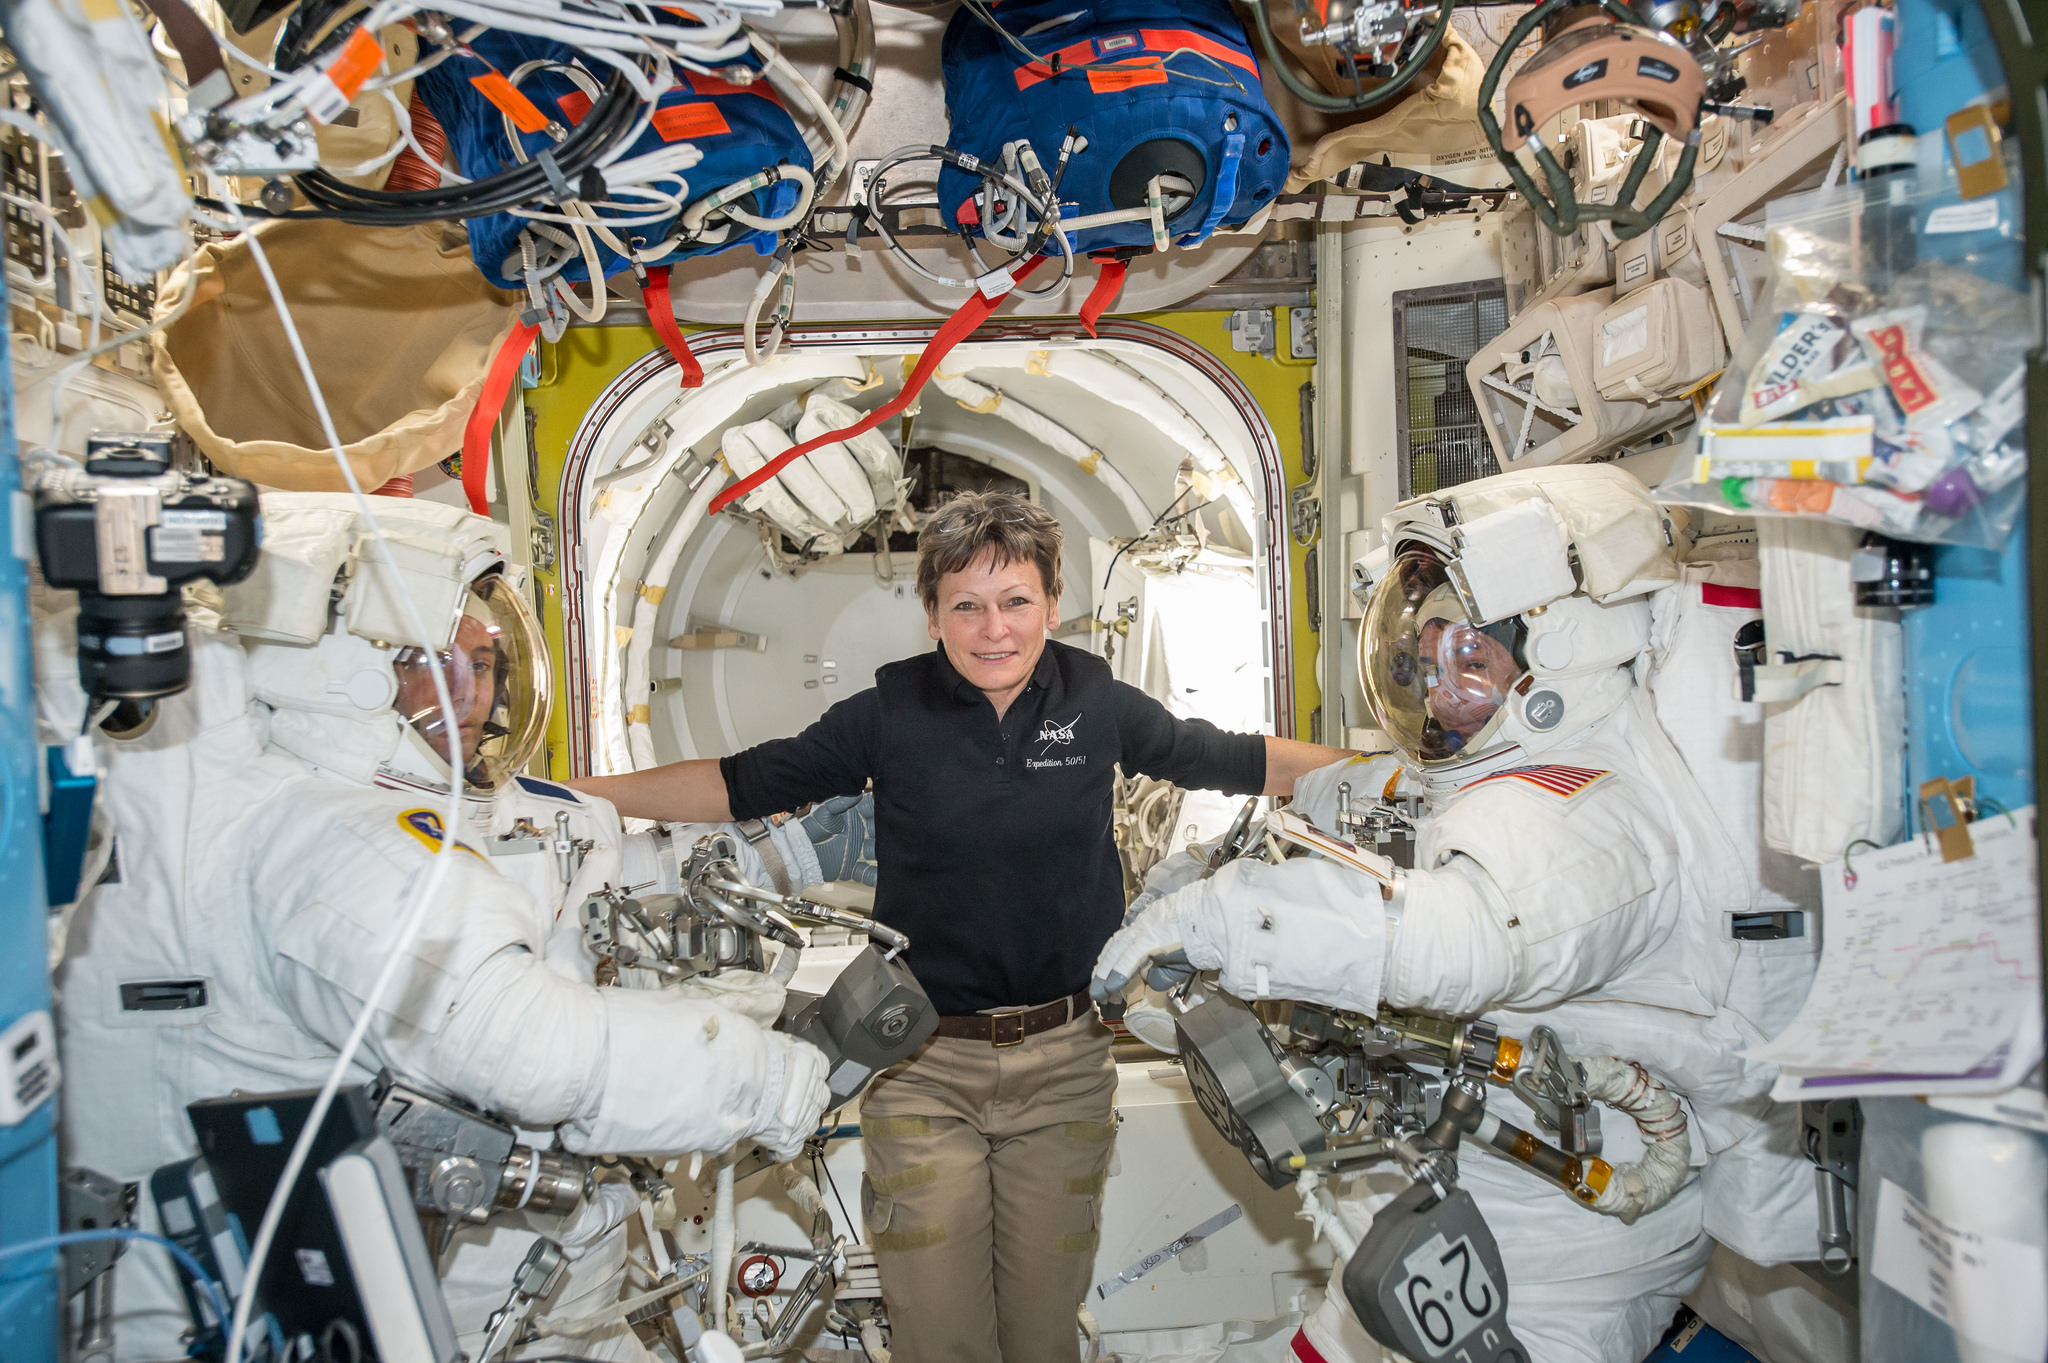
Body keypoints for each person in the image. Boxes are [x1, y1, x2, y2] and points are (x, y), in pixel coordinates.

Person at [571, 488, 1351, 1363]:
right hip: (925, 1067)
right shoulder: (889, 713)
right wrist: (579, 798)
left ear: (1053, 606)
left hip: (1065, 1068)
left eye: (1017, 601)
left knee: (1041, 1336)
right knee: (942, 1339)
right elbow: (741, 780)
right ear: (933, 613)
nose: (994, 629)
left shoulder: (1097, 702)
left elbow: (1232, 757)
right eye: (966, 605)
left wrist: (1378, 776)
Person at [52, 494, 832, 1362]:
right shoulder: (330, 838)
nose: (469, 691)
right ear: (340, 673)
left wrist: (786, 853)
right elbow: (527, 1049)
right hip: (451, 1291)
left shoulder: (438, 806)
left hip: (547, 1265)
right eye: (428, 661)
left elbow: (591, 853)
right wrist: (773, 1081)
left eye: (484, 662)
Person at [1093, 466, 1814, 1363]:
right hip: (1439, 1225)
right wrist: (1193, 877)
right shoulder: (1459, 778)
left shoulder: (1589, 805)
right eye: (1427, 660)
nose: (1438, 691)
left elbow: (1467, 941)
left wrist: (1221, 922)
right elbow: (1324, 805)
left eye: (1470, 662)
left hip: (1554, 1270)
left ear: (1555, 661)